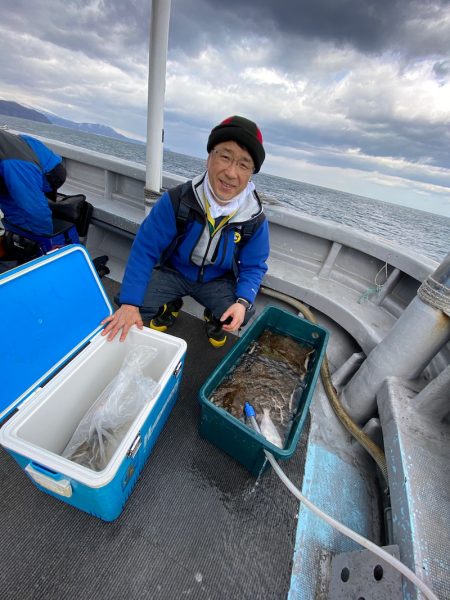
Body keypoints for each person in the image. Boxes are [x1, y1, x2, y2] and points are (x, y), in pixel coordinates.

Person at [102, 115, 270, 347]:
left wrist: (242, 302)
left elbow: (254, 266)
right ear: (209, 158)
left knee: (242, 314)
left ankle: (214, 318)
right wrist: (130, 303)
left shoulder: (255, 219)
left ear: (251, 173)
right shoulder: (177, 200)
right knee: (129, 306)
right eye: (225, 157)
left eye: (243, 164)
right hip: (173, 272)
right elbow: (145, 249)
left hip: (217, 282)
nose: (231, 173)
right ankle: (169, 304)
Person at [0, 129, 66, 234]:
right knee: (14, 212)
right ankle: (16, 238)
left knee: (27, 207)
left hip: (49, 173)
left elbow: (35, 209)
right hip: (21, 157)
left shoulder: (15, 165)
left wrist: (47, 243)